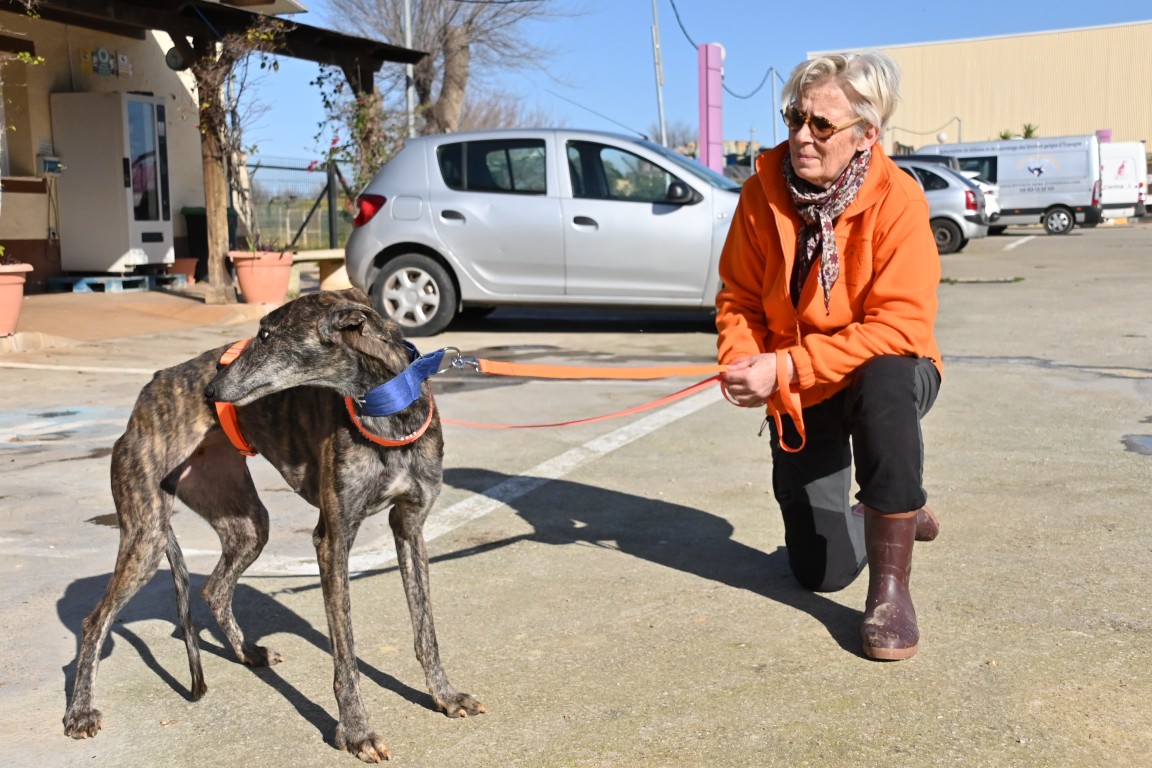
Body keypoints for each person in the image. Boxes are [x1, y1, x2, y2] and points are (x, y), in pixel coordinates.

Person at [715, 51, 942, 661]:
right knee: (819, 571)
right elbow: (738, 298)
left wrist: (786, 366)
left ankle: (890, 590)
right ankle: (893, 505)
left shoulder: (899, 199)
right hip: (802, 386)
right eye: (795, 118)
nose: (801, 136)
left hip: (887, 368)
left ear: (867, 134)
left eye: (821, 124)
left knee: (885, 381)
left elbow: (898, 326)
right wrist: (743, 360)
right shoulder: (759, 194)